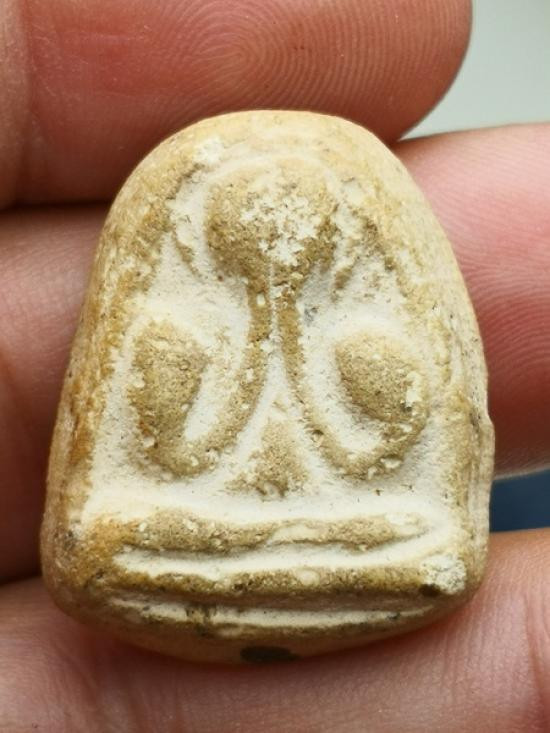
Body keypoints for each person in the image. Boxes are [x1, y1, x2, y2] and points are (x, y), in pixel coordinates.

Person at [0, 1, 548, 730]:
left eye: (296, 242)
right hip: (202, 527)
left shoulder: (361, 338)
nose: (277, 260)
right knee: (105, 545)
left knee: (432, 546)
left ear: (330, 247)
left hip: (347, 526)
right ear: (216, 244)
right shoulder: (174, 332)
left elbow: (398, 468)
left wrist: (350, 417)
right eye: (252, 239)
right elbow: (154, 468)